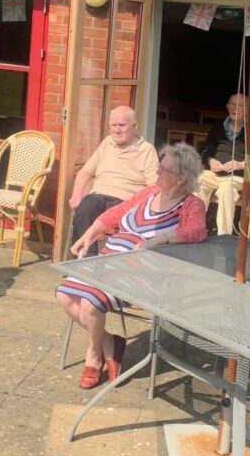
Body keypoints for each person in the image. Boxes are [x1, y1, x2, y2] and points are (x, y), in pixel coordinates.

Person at [57, 143, 207, 389]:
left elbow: (197, 230)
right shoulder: (150, 192)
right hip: (109, 259)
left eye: (164, 169)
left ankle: (93, 354)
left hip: (143, 272)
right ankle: (109, 343)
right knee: (64, 295)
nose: (157, 172)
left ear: (181, 178)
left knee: (89, 303)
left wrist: (161, 238)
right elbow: (115, 213)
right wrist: (89, 235)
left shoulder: (191, 204)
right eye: (159, 166)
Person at [68, 105, 159, 255]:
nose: (117, 130)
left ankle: (107, 258)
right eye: (113, 125)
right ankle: (86, 258)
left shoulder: (146, 149)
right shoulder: (107, 143)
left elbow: (154, 185)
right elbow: (85, 171)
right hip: (99, 195)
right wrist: (76, 195)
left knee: (121, 217)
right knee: (85, 207)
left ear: (134, 126)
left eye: (121, 125)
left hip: (126, 200)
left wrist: (143, 205)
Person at [195, 93, 250, 235]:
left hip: (236, 177)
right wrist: (210, 160)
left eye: (240, 105)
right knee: (197, 183)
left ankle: (224, 236)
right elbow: (204, 151)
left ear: (247, 110)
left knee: (226, 189)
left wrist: (241, 164)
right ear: (227, 107)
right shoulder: (218, 126)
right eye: (233, 104)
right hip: (213, 173)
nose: (235, 108)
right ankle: (195, 228)